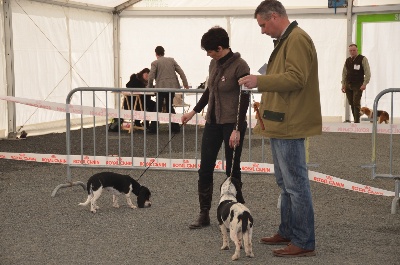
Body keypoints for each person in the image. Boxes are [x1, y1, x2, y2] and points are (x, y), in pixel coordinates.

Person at [238, 0, 321, 258]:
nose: (262, 30)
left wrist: (259, 80)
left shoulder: (296, 39)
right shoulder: (288, 40)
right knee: (286, 184)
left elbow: (296, 78)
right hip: (281, 122)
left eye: (263, 25)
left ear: (274, 17)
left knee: (295, 185)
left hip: (290, 123)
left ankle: (304, 241)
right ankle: (287, 231)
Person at [181, 26, 250, 230]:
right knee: (205, 169)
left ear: (220, 48)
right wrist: (193, 112)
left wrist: (237, 128)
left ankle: (238, 211)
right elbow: (209, 91)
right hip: (212, 122)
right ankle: (204, 213)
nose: (208, 54)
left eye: (209, 51)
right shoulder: (213, 64)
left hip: (232, 124)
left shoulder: (240, 65)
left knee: (231, 169)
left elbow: (244, 99)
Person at [147, 46, 189, 133]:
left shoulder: (155, 63)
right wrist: (185, 83)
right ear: (164, 52)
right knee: (169, 106)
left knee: (158, 107)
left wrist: (149, 87)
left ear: (156, 53)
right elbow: (181, 71)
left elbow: (151, 77)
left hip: (161, 88)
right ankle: (175, 127)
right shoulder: (171, 60)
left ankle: (153, 129)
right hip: (172, 87)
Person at [341, 43, 371, 123]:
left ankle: (356, 121)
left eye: (354, 50)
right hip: (348, 84)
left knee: (356, 102)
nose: (352, 52)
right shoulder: (347, 60)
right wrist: (343, 84)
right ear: (349, 51)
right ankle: (355, 119)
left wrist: (365, 83)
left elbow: (367, 72)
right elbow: (344, 73)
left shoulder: (362, 59)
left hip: (358, 85)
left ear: (357, 50)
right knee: (351, 102)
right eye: (350, 50)